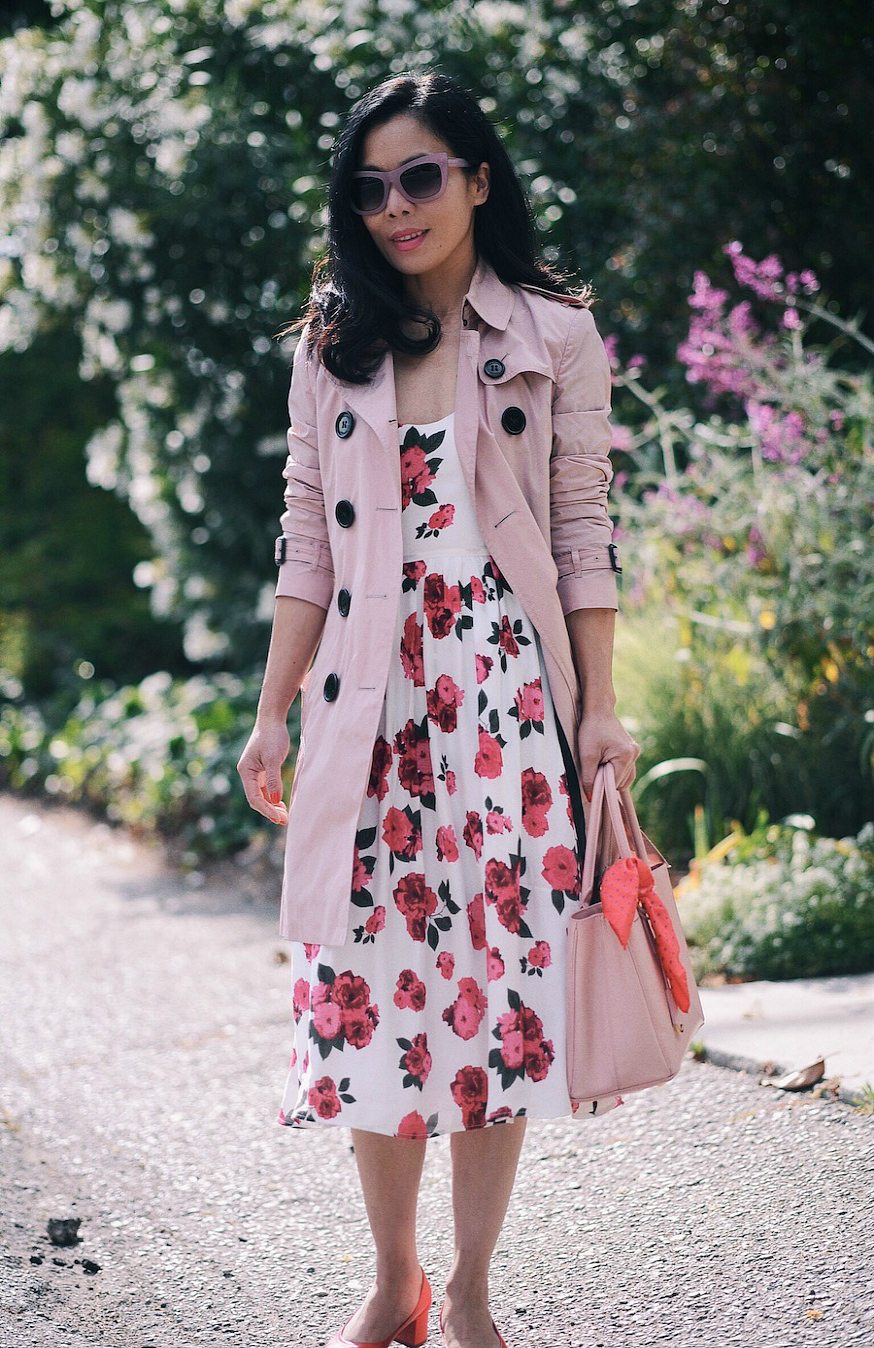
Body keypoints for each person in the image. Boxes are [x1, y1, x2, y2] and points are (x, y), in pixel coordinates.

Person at [237, 70, 639, 1348]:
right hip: (370, 705)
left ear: (476, 177)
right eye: (370, 187)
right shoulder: (330, 344)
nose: (395, 206)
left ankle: (467, 1286)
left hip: (504, 704)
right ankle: (392, 1276)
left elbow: (583, 530)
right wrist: (270, 712)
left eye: (420, 176)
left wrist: (602, 714)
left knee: (499, 996)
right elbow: (307, 539)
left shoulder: (552, 334)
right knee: (367, 990)